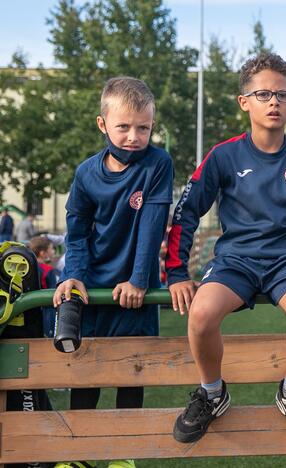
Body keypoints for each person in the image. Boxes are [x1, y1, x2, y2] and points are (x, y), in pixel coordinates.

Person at [165, 53, 286, 446]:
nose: (274, 102)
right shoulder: (222, 156)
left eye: (282, 95)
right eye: (264, 94)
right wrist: (176, 273)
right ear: (244, 102)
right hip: (236, 261)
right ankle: (212, 393)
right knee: (200, 313)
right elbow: (186, 213)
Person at [52, 76, 173, 468]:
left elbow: (152, 224)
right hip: (95, 287)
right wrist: (75, 275)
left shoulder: (158, 164)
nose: (134, 136)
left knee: (130, 371)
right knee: (87, 372)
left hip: (134, 288)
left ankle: (124, 457)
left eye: (143, 127)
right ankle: (78, 455)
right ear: (103, 124)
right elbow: (77, 232)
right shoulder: (86, 173)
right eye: (124, 126)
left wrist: (139, 279)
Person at [29, 236, 59, 337]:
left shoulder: (27, 268)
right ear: (43, 253)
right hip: (46, 310)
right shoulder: (48, 269)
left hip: (30, 310)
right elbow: (53, 291)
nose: (53, 251)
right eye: (51, 248)